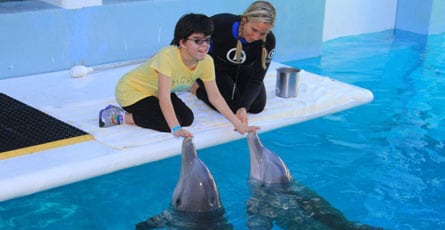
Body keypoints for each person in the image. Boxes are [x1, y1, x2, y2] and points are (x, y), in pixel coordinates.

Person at [98, 13, 258, 138]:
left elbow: (215, 96)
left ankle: (156, 120)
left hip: (156, 92)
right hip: (132, 92)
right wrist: (175, 129)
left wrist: (237, 123)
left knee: (187, 118)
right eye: (197, 41)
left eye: (207, 41)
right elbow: (164, 97)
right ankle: (120, 116)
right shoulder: (167, 55)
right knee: (168, 123)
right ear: (182, 42)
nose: (204, 46)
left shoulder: (206, 61)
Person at [191, 1, 276, 125]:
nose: (256, 37)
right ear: (245, 19)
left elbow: (256, 79)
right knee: (230, 107)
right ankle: (196, 88)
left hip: (241, 68)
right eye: (254, 29)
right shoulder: (221, 23)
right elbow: (187, 39)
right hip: (215, 68)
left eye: (262, 33)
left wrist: (244, 108)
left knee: (257, 106)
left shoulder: (269, 41)